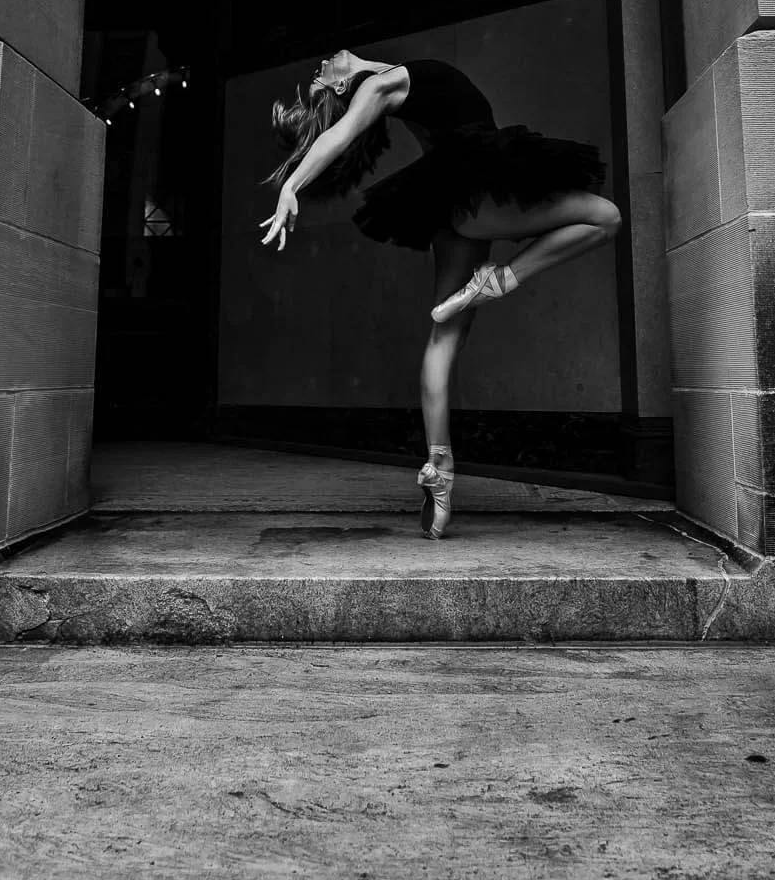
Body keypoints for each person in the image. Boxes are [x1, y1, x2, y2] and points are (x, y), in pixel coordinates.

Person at [259, 50, 620, 539]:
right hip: (480, 195)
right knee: (606, 217)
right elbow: (339, 135)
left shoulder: (384, 80)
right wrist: (292, 187)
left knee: (442, 335)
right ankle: (500, 280)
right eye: (322, 75)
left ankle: (439, 471)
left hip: (460, 208)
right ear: (343, 89)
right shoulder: (378, 87)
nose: (321, 64)